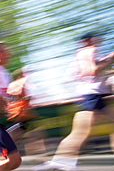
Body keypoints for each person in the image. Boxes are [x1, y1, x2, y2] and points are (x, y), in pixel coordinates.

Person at [34, 32, 114, 171]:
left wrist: (107, 61)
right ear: (89, 40)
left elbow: (86, 73)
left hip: (93, 95)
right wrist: (111, 58)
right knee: (80, 132)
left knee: (81, 131)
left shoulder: (82, 54)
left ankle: (61, 161)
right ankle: (60, 162)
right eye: (97, 39)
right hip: (93, 96)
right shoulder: (87, 51)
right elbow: (91, 71)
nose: (99, 41)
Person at [0, 42, 22, 170]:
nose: (10, 54)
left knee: (23, 126)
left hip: (4, 120)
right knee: (14, 160)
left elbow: (7, 97)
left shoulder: (6, 73)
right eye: (6, 51)